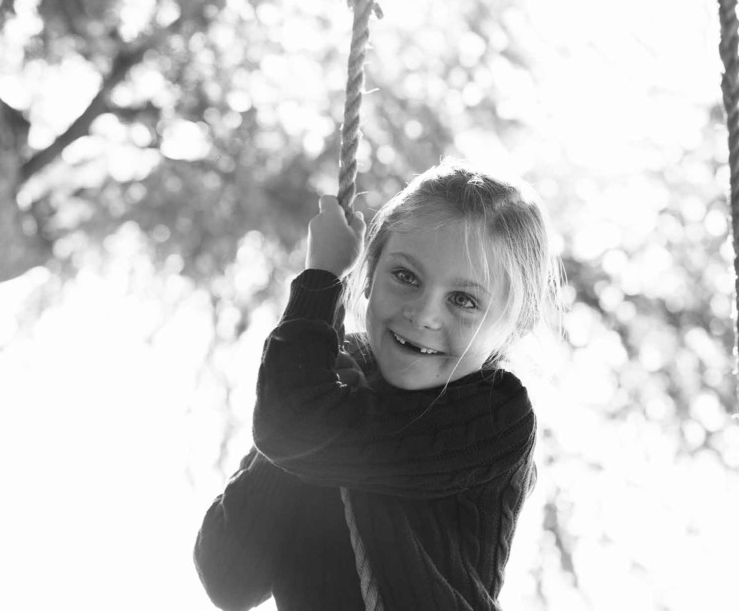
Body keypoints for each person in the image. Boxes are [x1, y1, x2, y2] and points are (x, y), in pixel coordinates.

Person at [194, 158, 561, 611]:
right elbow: (228, 579)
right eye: (405, 276)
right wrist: (319, 383)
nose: (423, 314)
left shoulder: (494, 415)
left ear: (516, 325)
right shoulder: (321, 388)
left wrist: (320, 281)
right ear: (369, 273)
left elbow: (292, 425)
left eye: (464, 300)